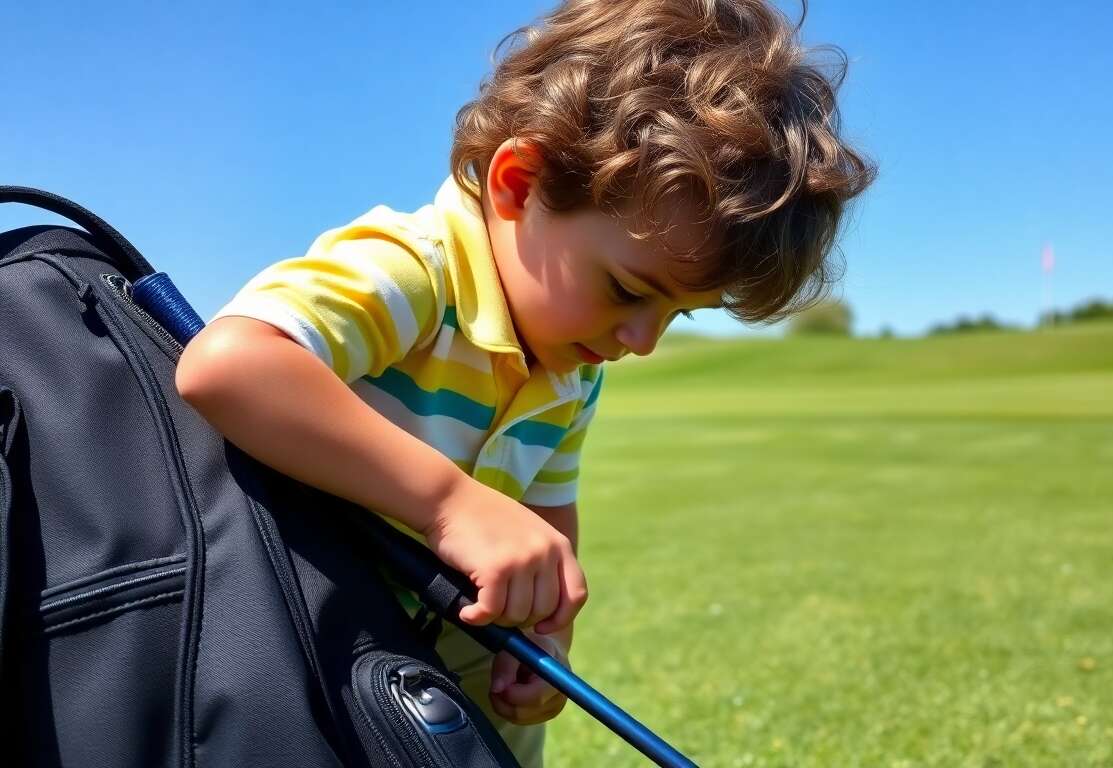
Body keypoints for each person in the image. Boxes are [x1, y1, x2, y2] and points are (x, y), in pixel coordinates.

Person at [175, 0, 874, 764]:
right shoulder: (416, 268)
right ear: (519, 183)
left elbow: (546, 512)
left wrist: (547, 634)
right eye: (629, 290)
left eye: (679, 316)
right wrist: (450, 505)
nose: (641, 341)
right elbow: (229, 364)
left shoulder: (571, 363)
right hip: (295, 615)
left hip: (438, 634)